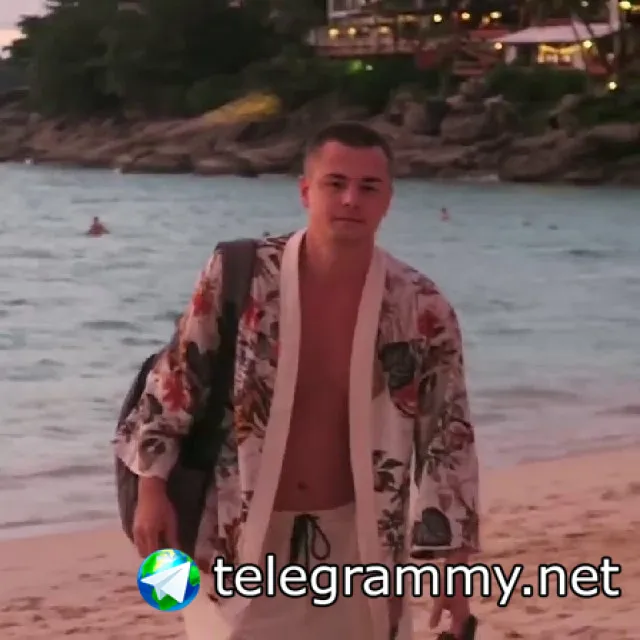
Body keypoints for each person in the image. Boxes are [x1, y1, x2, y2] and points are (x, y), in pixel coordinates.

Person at [114, 121, 479, 640]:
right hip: (240, 534)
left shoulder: (421, 307)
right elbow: (177, 379)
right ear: (306, 191)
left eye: (368, 187)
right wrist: (151, 489)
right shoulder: (242, 273)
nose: (351, 199)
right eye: (336, 183)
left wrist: (453, 564)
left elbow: (448, 437)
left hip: (360, 542)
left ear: (387, 201)